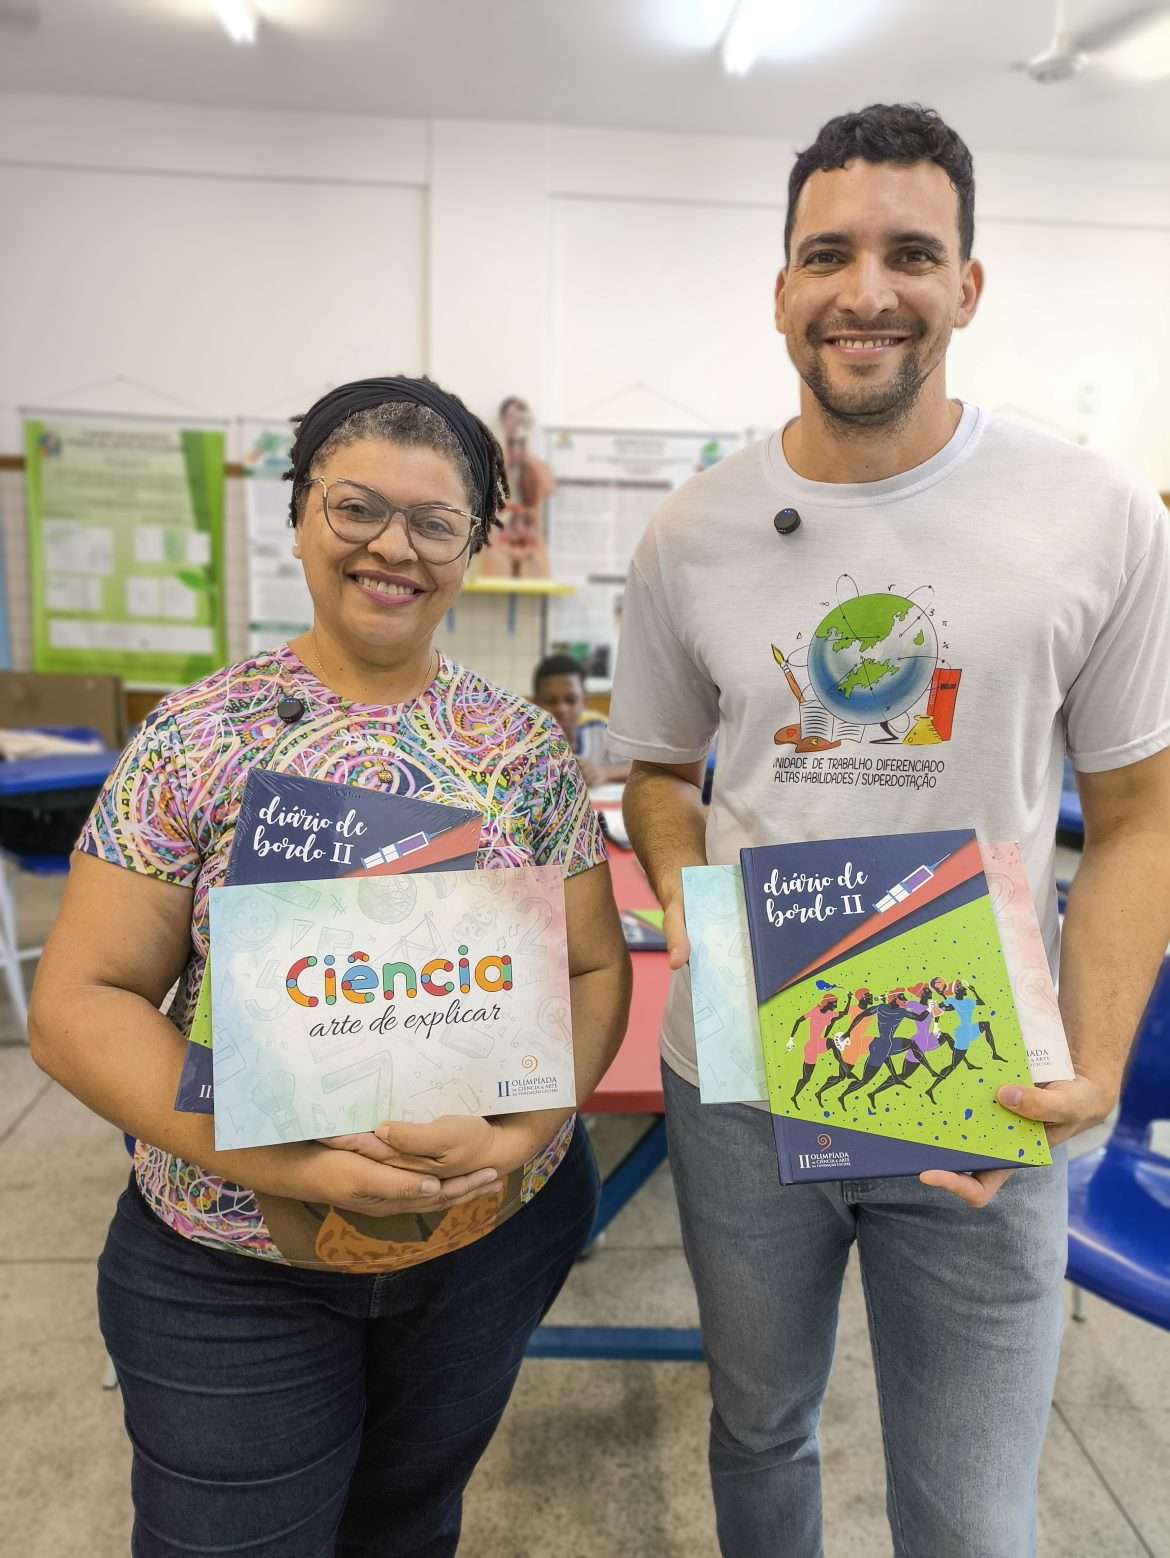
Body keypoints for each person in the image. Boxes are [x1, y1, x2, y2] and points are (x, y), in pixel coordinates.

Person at [608, 102, 1170, 1557]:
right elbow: (657, 769)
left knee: (970, 1512)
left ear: (966, 286)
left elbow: (1139, 812)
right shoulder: (692, 533)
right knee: (758, 1428)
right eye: (828, 253)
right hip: (739, 1071)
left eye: (910, 252)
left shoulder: (1094, 513)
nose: (867, 289)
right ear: (781, 286)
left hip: (971, 1078)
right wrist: (682, 894)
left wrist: (1091, 1068)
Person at [28, 375, 632, 1558]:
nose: (391, 547)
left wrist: (519, 1137)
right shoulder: (199, 736)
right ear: (301, 513)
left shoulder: (523, 751)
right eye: (356, 507)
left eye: (434, 521)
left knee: (408, 1527)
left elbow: (593, 971)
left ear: (473, 545)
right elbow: (78, 1002)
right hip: (230, 1261)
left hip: (484, 1246)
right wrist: (267, 1151)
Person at [533, 652, 630, 788]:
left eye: (571, 700)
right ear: (536, 703)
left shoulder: (601, 733)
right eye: (551, 701)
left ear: (584, 701)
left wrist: (603, 772)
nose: (561, 709)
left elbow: (638, 767)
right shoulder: (520, 743)